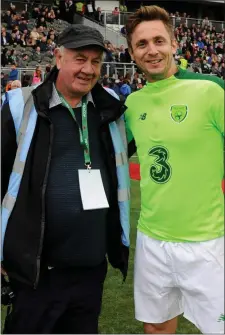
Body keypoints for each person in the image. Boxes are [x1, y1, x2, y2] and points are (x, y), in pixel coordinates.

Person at [1, 24, 130, 334]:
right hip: (37, 271)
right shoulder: (22, 105)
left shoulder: (110, 109)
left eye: (96, 61)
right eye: (79, 59)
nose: (88, 69)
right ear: (58, 58)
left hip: (90, 270)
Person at [125, 5, 224, 334]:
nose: (151, 50)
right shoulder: (131, 105)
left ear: (173, 43)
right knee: (155, 328)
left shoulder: (210, 90)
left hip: (207, 241)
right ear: (132, 53)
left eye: (158, 40)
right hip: (152, 240)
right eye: (142, 44)